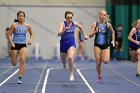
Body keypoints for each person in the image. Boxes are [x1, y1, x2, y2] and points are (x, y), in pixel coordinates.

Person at [58, 11, 88, 81]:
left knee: (70, 57)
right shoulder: (63, 24)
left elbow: (80, 27)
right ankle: (64, 64)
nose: (70, 19)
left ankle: (71, 73)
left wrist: (84, 35)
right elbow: (59, 33)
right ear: (65, 18)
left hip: (71, 43)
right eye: (68, 18)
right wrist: (64, 30)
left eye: (71, 18)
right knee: (63, 59)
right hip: (63, 44)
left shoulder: (74, 23)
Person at [89, 10, 115, 83]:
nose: (103, 16)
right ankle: (99, 76)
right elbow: (90, 35)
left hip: (106, 45)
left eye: (104, 15)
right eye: (102, 15)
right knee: (98, 62)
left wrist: (113, 40)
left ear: (106, 16)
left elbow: (113, 31)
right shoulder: (95, 24)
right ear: (99, 15)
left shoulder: (108, 25)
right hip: (97, 45)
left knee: (106, 61)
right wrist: (95, 32)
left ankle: (103, 56)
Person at [8, 11, 34, 84]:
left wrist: (30, 40)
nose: (21, 17)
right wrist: (11, 43)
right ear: (17, 17)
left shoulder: (27, 26)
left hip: (23, 45)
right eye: (19, 16)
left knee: (22, 61)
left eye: (22, 16)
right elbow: (9, 35)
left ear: (24, 17)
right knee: (14, 63)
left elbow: (32, 34)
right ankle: (13, 58)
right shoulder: (14, 25)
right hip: (15, 45)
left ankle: (20, 78)